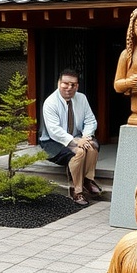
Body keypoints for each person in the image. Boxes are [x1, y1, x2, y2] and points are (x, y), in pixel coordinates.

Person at [39, 68, 102, 206]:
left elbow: (90, 120)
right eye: (65, 83)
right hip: (53, 141)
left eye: (73, 84)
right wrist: (75, 141)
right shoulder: (50, 102)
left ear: (77, 86)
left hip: (78, 136)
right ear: (58, 83)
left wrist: (85, 137)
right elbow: (54, 130)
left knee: (91, 146)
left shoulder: (82, 98)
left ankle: (87, 180)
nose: (69, 87)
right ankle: (76, 191)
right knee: (78, 153)